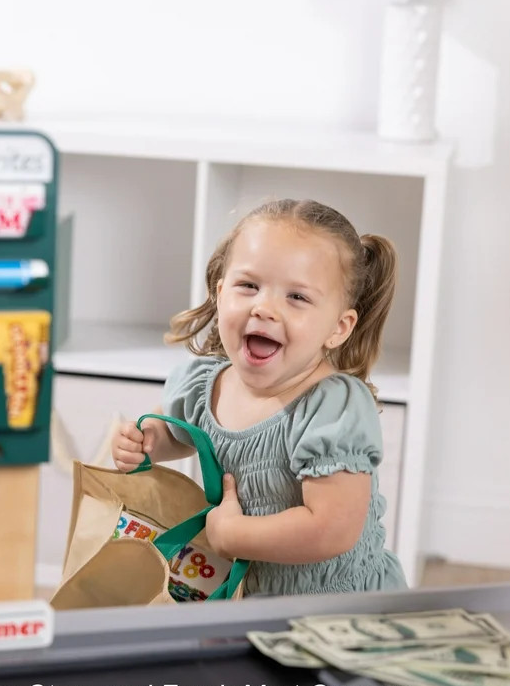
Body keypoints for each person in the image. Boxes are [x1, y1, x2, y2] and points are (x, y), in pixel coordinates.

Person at [111, 198, 407, 595]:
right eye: (249, 286)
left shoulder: (330, 408)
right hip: (249, 593)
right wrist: (144, 444)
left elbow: (332, 529)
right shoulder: (205, 383)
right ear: (221, 295)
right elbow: (174, 431)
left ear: (339, 327)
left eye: (297, 297)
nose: (264, 308)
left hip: (335, 604)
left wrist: (235, 534)